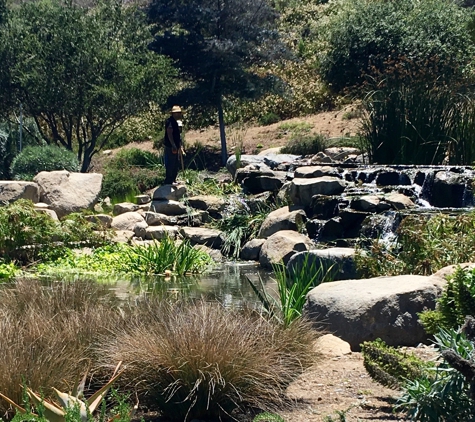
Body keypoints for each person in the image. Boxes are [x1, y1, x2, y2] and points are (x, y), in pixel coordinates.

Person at [163, 105, 185, 185]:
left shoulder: (175, 122)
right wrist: (173, 145)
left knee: (176, 163)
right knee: (171, 163)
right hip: (171, 147)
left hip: (175, 146)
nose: (179, 114)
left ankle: (173, 179)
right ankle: (169, 180)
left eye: (179, 113)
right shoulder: (170, 122)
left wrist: (179, 146)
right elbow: (169, 133)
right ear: (173, 114)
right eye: (177, 113)